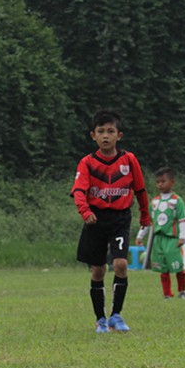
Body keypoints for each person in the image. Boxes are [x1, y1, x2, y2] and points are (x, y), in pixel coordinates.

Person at [71, 110, 151, 333]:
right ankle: (100, 319)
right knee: (98, 270)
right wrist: (85, 211)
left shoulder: (129, 160)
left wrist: (145, 215)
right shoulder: (87, 163)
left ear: (119, 135)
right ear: (93, 136)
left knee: (121, 264)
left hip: (119, 218)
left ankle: (116, 315)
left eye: (110, 131)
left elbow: (141, 189)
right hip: (95, 219)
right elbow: (78, 190)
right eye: (101, 132)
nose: (106, 136)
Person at [137, 166, 185, 300]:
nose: (160, 184)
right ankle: (167, 294)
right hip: (158, 240)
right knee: (163, 268)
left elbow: (182, 220)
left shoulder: (177, 201)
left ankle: (182, 291)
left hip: (172, 239)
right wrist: (140, 236)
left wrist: (182, 237)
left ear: (172, 182)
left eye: (163, 181)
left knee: (178, 266)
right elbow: (148, 221)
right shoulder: (154, 202)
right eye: (158, 182)